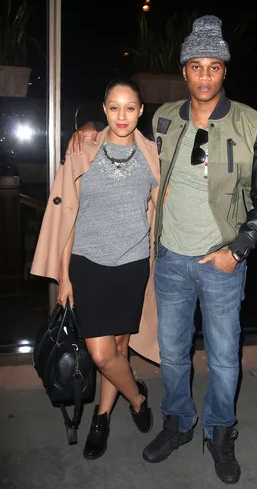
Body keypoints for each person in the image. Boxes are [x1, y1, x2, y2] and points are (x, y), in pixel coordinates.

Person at [67, 16, 257, 484]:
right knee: (172, 352)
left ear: (224, 71)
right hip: (168, 260)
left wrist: (238, 250)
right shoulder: (164, 119)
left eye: (214, 67)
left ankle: (221, 432)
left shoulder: (252, 123)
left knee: (225, 358)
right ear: (183, 71)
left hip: (222, 263)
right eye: (195, 66)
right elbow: (120, 134)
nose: (205, 76)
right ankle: (179, 422)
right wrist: (85, 126)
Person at [31, 78, 160, 461]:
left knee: (119, 347)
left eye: (130, 107)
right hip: (87, 264)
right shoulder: (84, 147)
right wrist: (65, 275)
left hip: (134, 265)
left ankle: (101, 419)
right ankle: (137, 398)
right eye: (114, 107)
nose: (122, 115)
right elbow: (69, 214)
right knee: (102, 354)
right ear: (103, 109)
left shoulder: (153, 154)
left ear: (141, 111)